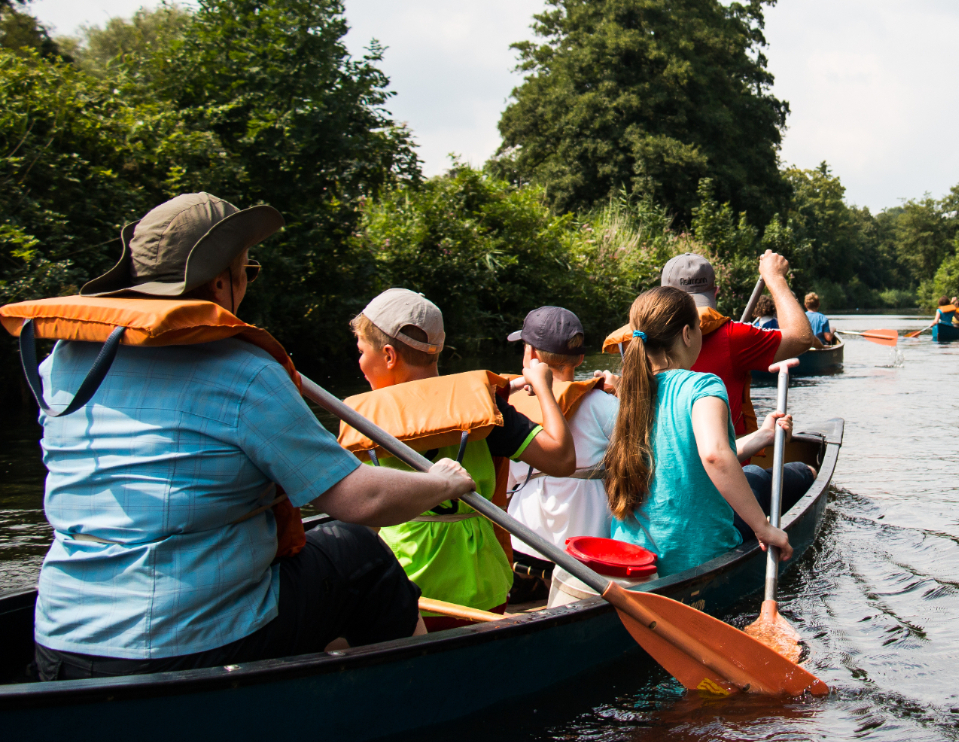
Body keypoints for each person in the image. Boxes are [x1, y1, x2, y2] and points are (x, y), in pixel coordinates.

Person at [28, 193, 476, 681]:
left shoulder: (62, 364)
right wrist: (442, 483)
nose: (246, 281)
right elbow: (360, 499)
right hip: (190, 647)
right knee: (357, 551)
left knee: (319, 545)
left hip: (59, 638)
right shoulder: (245, 374)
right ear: (223, 282)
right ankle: (420, 692)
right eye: (245, 269)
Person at [348, 289, 575, 630]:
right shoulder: (483, 408)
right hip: (481, 587)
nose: (360, 363)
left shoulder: (363, 418)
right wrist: (542, 386)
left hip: (403, 584)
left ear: (389, 355)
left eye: (362, 351)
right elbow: (561, 458)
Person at [603, 287, 815, 576]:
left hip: (634, 558)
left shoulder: (628, 390)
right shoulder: (703, 386)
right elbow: (714, 455)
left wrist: (762, 436)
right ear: (688, 334)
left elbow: (691, 455)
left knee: (753, 476)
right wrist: (764, 528)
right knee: (785, 476)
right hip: (695, 555)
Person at [607, 251, 812, 437]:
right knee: (801, 472)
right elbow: (801, 337)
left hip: (658, 468)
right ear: (715, 292)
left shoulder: (634, 337)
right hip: (729, 464)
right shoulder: (733, 337)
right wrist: (774, 278)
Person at [502, 306, 621, 604]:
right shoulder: (603, 404)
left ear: (530, 356)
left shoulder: (510, 407)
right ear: (580, 358)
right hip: (586, 551)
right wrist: (621, 395)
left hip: (523, 548)